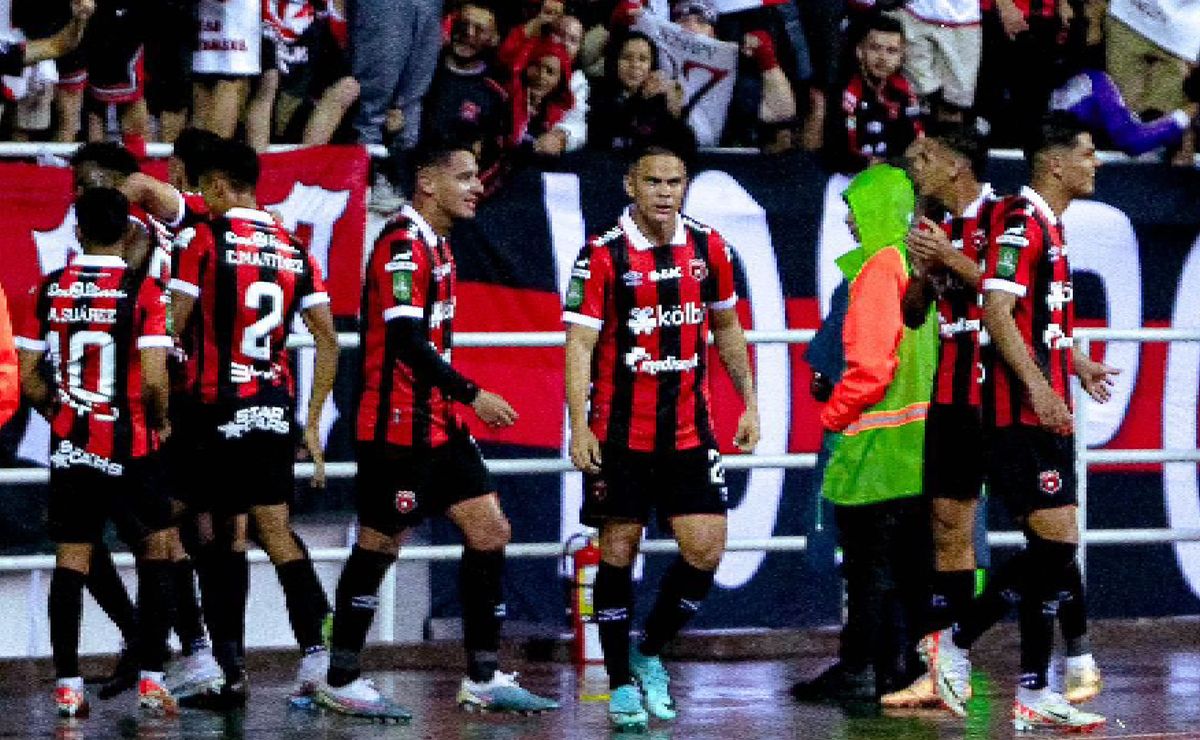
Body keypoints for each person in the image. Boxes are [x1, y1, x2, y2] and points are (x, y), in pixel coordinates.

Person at [314, 141, 559, 719]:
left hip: (440, 427)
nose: (477, 186)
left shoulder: (439, 245)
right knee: (379, 544)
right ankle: (339, 676)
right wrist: (473, 394)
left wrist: (456, 405)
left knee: (490, 530)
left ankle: (482, 676)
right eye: (465, 176)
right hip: (396, 431)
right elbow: (404, 342)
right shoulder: (403, 247)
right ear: (427, 182)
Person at [564, 144, 760, 731]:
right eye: (653, 181)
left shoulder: (711, 247)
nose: (665, 192)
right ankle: (620, 680)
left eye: (676, 181)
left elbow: (726, 326)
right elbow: (578, 346)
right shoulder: (599, 255)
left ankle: (649, 652)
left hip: (688, 433)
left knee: (706, 549)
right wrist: (579, 426)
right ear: (630, 184)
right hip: (621, 434)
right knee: (617, 551)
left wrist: (750, 401)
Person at [931, 112, 1116, 731]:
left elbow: (1040, 323)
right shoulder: (1021, 223)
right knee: (1056, 544)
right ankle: (956, 639)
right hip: (1014, 415)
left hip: (1045, 407)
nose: (1096, 163)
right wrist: (1039, 389)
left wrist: (1076, 363)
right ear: (1056, 164)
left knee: (1053, 548)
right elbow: (998, 312)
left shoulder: (1050, 226)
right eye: (1087, 153)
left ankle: (1035, 690)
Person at [169, 138, 339, 709]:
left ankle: (223, 666)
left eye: (200, 190)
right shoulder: (294, 246)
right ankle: (320, 657)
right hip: (273, 409)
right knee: (272, 530)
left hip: (213, 409)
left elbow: (173, 327)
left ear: (217, 187)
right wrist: (311, 424)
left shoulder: (203, 238)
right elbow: (328, 340)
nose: (198, 199)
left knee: (196, 530)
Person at [15, 187, 178, 718]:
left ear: (76, 231)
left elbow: (28, 377)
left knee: (73, 559)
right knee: (158, 551)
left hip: (73, 443)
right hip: (133, 441)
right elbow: (154, 382)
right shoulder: (144, 290)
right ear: (129, 232)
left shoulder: (50, 288)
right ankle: (153, 682)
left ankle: (68, 689)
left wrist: (64, 416)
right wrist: (159, 424)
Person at [795, 164, 938, 704]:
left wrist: (833, 417)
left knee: (867, 574)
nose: (850, 223)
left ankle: (859, 674)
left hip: (875, 451)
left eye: (854, 210)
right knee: (909, 573)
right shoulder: (917, 265)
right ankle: (907, 673)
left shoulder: (880, 269)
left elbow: (871, 369)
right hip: (920, 449)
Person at [828, 14, 924, 173]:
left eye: (891, 51)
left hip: (893, 173)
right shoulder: (844, 94)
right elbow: (836, 152)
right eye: (875, 48)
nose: (882, 58)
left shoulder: (904, 91)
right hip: (849, 177)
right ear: (859, 51)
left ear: (901, 57)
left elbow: (916, 139)